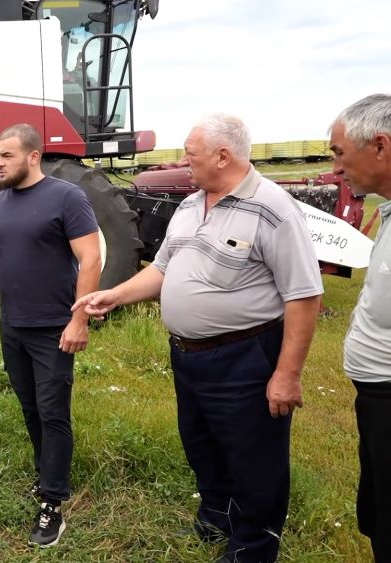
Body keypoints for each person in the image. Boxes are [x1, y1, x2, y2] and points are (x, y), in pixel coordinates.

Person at [73, 114, 323, 563]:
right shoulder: (191, 205)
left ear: (223, 156)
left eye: (191, 155)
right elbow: (163, 268)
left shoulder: (273, 209)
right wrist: (115, 295)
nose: (184, 162)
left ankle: (253, 547)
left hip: (245, 355)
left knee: (254, 457)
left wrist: (287, 374)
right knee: (202, 443)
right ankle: (217, 517)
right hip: (189, 356)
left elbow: (304, 296)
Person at [0, 123, 102, 548]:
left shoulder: (67, 197)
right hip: (13, 326)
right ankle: (48, 473)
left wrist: (79, 321)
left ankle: (53, 503)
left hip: (53, 328)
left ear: (33, 156)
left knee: (52, 411)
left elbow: (91, 257)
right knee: (30, 407)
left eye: (6, 155)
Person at [329, 94, 391, 563]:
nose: (335, 169)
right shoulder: (387, 213)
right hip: (374, 399)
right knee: (378, 516)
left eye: (339, 153)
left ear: (381, 147)